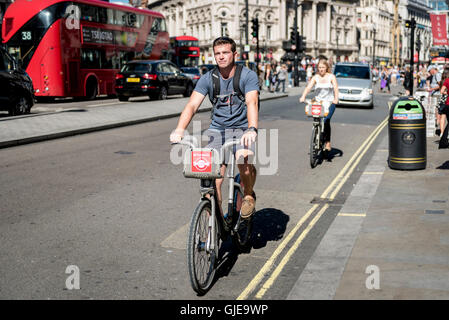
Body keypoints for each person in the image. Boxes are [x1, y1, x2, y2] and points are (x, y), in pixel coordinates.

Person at [170, 37, 259, 219]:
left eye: (225, 52)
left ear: (234, 54)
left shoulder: (247, 76)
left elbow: (252, 102)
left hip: (241, 128)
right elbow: (192, 106)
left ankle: (249, 194)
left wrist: (252, 128)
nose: (221, 57)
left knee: (243, 163)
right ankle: (215, 226)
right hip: (217, 130)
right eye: (217, 53)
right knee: (211, 180)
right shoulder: (208, 79)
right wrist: (180, 129)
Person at [299, 59, 339, 157]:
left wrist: (336, 99)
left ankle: (328, 142)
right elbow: (308, 87)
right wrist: (303, 96)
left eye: (323, 67)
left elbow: (336, 88)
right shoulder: (315, 77)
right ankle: (316, 134)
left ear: (327, 68)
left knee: (326, 120)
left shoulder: (331, 77)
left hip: (330, 102)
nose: (321, 69)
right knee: (316, 118)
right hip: (318, 102)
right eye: (319, 67)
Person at [437, 68, 449, 148]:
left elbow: (441, 91)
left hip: (447, 103)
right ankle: (444, 140)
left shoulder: (447, 80)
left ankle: (443, 137)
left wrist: (447, 92)